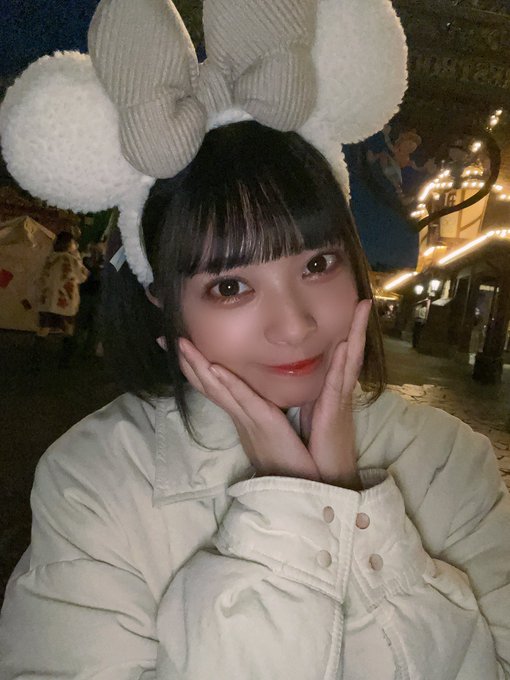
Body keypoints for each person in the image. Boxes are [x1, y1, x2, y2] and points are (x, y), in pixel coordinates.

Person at [0, 1, 509, 678]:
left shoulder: (450, 464)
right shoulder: (93, 481)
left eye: (318, 264)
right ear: (160, 300)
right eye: (231, 286)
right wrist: (297, 507)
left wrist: (338, 492)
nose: (294, 324)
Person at [31, 230, 89, 370]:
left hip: (47, 301)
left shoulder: (50, 258)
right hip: (65, 302)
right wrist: (79, 257)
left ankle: (34, 361)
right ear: (69, 244)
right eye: (73, 242)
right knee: (68, 330)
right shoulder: (71, 259)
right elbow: (83, 276)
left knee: (43, 329)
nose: (75, 244)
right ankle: (64, 362)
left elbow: (40, 276)